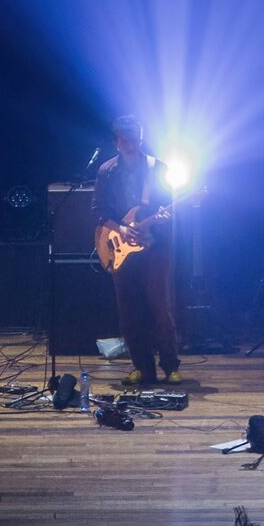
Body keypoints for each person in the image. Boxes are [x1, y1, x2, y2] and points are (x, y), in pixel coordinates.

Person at [92, 115, 181, 386]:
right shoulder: (107, 171)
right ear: (116, 142)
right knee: (128, 308)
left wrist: (162, 218)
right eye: (125, 139)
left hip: (155, 246)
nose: (131, 144)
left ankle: (170, 366)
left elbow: (167, 205)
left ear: (141, 140)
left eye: (135, 139)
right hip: (120, 246)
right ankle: (141, 366)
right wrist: (119, 229)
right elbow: (99, 210)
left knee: (160, 305)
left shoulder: (158, 168)